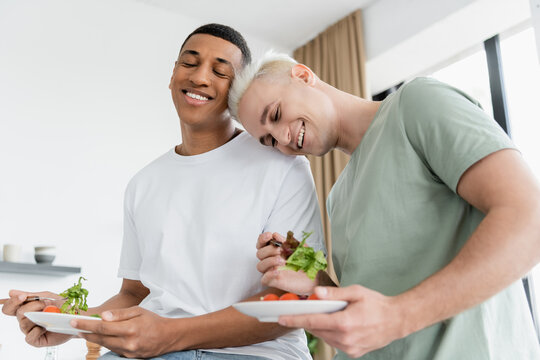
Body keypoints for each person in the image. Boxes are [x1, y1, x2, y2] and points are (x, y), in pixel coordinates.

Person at [1, 26, 325, 360]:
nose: (200, 77)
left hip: (255, 353)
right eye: (189, 63)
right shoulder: (143, 183)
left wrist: (170, 336)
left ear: (240, 91)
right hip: (156, 350)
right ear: (173, 76)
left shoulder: (283, 164)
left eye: (220, 71)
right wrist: (69, 321)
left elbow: (294, 295)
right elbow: (133, 294)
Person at [228, 51, 540, 359]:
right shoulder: (338, 197)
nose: (283, 139)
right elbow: (371, 313)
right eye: (269, 141)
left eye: (276, 114)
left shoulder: (416, 105)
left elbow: (529, 218)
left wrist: (397, 316)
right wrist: (316, 278)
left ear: (303, 76)